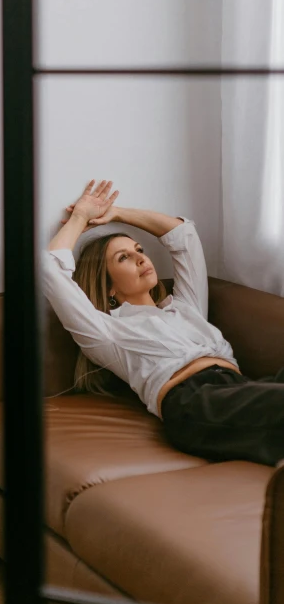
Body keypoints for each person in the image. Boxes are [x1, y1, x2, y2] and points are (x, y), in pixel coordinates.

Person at [42, 178, 284, 468]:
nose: (141, 259)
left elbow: (183, 235)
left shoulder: (184, 308)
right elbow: (50, 270)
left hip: (241, 387)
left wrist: (115, 213)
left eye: (139, 250)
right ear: (109, 288)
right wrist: (80, 217)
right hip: (196, 405)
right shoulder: (107, 334)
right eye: (124, 258)